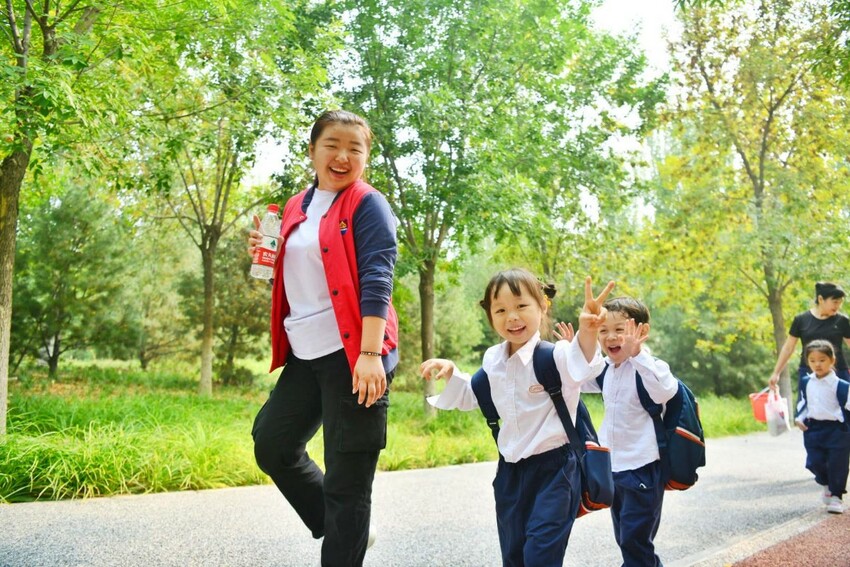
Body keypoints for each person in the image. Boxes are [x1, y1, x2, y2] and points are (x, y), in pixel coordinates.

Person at [248, 109, 399, 567]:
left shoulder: (367, 204)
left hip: (357, 355)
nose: (343, 156)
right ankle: (345, 527)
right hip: (307, 353)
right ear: (312, 150)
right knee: (272, 442)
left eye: (356, 148)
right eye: (332, 144)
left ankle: (345, 533)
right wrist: (264, 253)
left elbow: (378, 277)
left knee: (347, 481)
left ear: (366, 158)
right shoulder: (295, 206)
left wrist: (370, 354)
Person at [419, 268, 614, 567]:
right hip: (510, 474)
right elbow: (477, 396)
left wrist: (588, 331)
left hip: (556, 471)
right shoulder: (492, 362)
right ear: (491, 317)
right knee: (514, 557)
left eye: (521, 306)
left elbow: (581, 364)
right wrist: (453, 374)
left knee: (539, 556)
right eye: (501, 310)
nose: (512, 316)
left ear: (542, 306)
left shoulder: (556, 356)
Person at [562, 296, 678, 567]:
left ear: (641, 331)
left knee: (634, 539)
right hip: (614, 468)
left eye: (619, 330)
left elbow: (665, 390)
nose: (610, 337)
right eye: (603, 331)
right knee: (626, 537)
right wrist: (575, 349)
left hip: (643, 467)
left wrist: (637, 355)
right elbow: (578, 377)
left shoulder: (650, 367)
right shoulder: (608, 369)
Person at [794, 339, 850, 515]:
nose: (817, 364)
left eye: (822, 360)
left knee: (838, 464)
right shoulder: (806, 382)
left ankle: (836, 496)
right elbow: (803, 404)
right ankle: (826, 483)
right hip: (813, 429)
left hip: (837, 430)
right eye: (812, 360)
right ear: (807, 361)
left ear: (832, 360)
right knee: (814, 461)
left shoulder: (841, 385)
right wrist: (799, 418)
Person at [769, 282, 850, 388]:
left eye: (840, 302)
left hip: (838, 373)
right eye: (835, 302)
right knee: (807, 404)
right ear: (821, 299)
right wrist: (776, 373)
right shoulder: (801, 320)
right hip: (809, 372)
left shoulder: (842, 321)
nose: (838, 306)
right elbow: (788, 348)